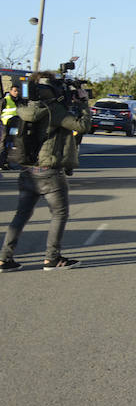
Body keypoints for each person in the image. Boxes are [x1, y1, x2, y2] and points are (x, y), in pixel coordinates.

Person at [0, 75, 92, 271]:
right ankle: (52, 258)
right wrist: (83, 103)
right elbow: (82, 126)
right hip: (49, 172)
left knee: (21, 215)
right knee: (59, 214)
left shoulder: (25, 109)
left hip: (26, 171)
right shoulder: (54, 111)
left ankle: (4, 258)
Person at [0, 84, 21, 169]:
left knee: (12, 143)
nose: (17, 92)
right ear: (10, 91)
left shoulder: (19, 101)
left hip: (15, 125)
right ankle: (1, 163)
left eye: (18, 91)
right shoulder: (5, 101)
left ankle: (9, 162)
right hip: (5, 125)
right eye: (15, 91)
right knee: (3, 143)